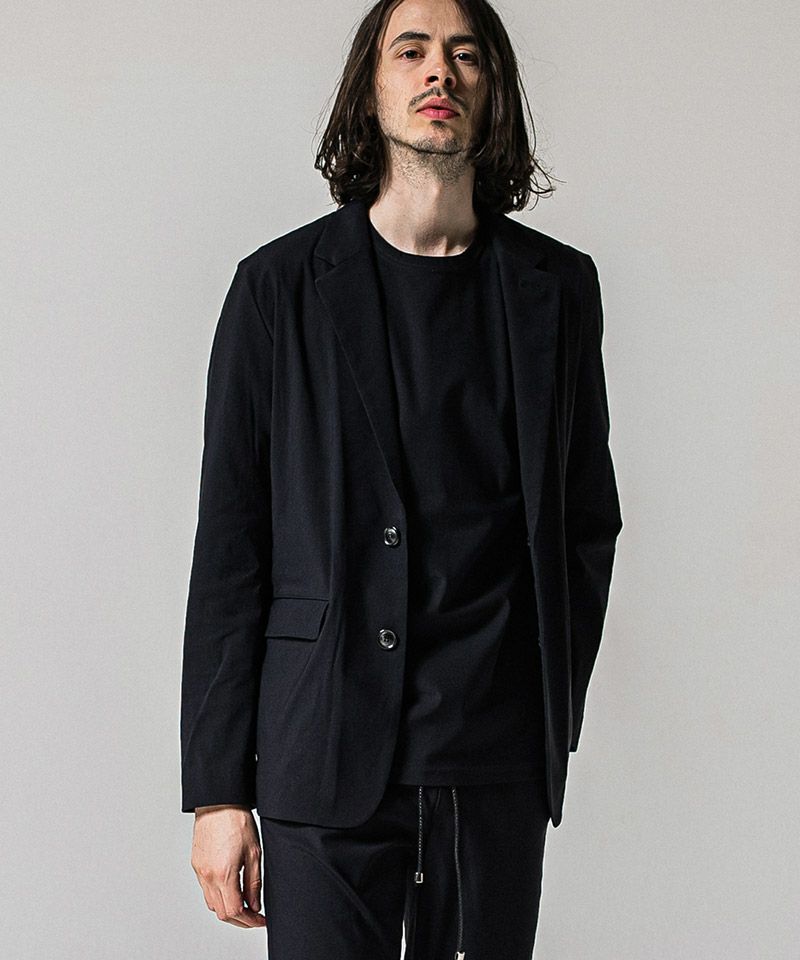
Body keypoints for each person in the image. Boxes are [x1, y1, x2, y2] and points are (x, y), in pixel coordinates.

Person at [179, 0, 623, 956]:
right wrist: (219, 793)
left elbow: (588, 520)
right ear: (370, 86)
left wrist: (544, 704)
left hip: (492, 762)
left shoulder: (556, 290)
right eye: (411, 51)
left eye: (466, 55)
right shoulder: (278, 288)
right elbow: (231, 546)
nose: (439, 73)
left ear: (492, 90)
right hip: (322, 751)